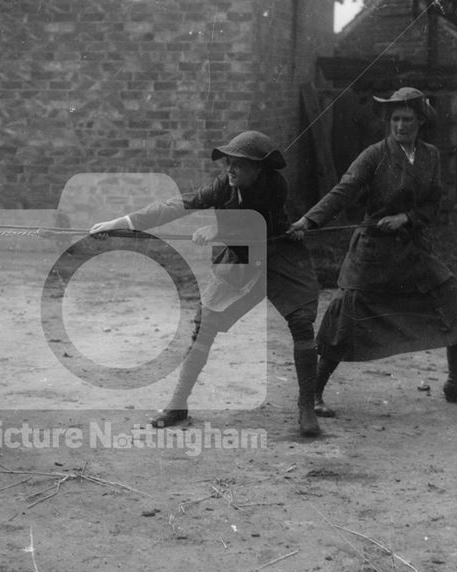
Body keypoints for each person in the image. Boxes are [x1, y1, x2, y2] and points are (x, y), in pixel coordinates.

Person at [90, 130, 323, 436]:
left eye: (239, 164)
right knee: (206, 323)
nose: (230, 170)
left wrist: (218, 231)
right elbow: (177, 204)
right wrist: (121, 223)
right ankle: (178, 404)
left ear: (259, 169)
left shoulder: (276, 185)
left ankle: (307, 406)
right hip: (241, 258)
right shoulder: (222, 186)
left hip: (280, 256)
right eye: (228, 162)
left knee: (302, 322)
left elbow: (255, 225)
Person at [288, 87, 457, 417]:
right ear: (389, 122)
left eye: (409, 120)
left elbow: (433, 203)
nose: (401, 126)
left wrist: (407, 218)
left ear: (421, 122)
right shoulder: (374, 155)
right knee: (344, 320)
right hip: (372, 253)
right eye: (396, 119)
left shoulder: (431, 155)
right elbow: (342, 191)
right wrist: (308, 221)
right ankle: (312, 394)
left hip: (413, 252)